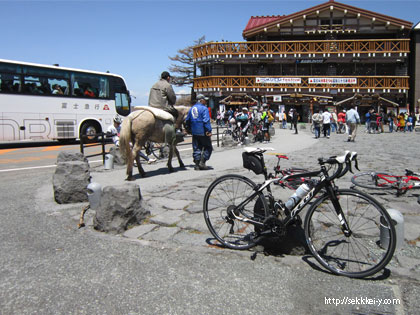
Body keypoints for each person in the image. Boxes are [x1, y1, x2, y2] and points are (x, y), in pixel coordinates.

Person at [185, 94, 213, 170]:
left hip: (194, 131)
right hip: (203, 131)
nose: (205, 101)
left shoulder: (192, 108)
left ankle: (197, 165)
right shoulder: (204, 108)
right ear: (201, 100)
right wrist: (208, 130)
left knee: (196, 147)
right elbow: (206, 120)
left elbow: (187, 120)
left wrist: (188, 129)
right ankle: (202, 162)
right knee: (208, 147)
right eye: (205, 100)